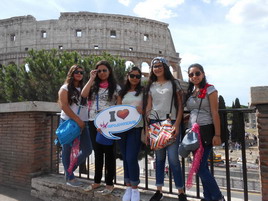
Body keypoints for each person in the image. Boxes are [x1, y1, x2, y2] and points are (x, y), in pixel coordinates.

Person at [144, 57, 187, 201]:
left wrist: (177, 124)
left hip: (171, 121)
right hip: (155, 122)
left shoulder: (174, 83)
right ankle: (159, 190)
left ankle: (181, 191)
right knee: (159, 158)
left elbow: (180, 106)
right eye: (154, 66)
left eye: (160, 65)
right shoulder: (151, 85)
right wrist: (147, 126)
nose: (157, 68)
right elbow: (149, 106)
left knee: (174, 159)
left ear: (166, 67)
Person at [185, 63, 225, 201]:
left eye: (197, 73)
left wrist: (218, 134)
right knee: (201, 166)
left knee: (200, 167)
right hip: (193, 133)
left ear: (203, 74)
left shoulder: (210, 89)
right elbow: (192, 111)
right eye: (191, 74)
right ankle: (208, 197)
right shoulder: (191, 92)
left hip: (206, 130)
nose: (194, 76)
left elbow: (215, 112)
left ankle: (218, 197)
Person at [81, 60, 120, 195]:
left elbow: (119, 106)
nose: (102, 73)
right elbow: (83, 95)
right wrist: (91, 78)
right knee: (97, 153)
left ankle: (109, 184)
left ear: (109, 72)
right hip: (93, 122)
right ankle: (97, 181)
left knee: (109, 153)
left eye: (105, 70)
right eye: (99, 71)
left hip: (108, 123)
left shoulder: (116, 87)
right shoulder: (93, 86)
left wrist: (113, 124)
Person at [58, 64, 92, 187]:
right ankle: (70, 177)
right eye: (76, 72)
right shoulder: (65, 88)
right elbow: (64, 106)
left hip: (84, 123)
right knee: (66, 150)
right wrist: (77, 120)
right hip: (69, 122)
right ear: (71, 73)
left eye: (81, 72)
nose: (79, 74)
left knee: (88, 149)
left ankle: (69, 170)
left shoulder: (84, 88)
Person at [117, 66, 143, 201]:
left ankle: (135, 189)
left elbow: (149, 109)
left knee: (131, 158)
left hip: (137, 127)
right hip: (122, 128)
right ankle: (128, 187)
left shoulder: (144, 92)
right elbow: (117, 110)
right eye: (132, 75)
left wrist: (142, 110)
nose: (135, 78)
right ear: (128, 76)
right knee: (126, 157)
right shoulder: (122, 93)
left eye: (137, 76)